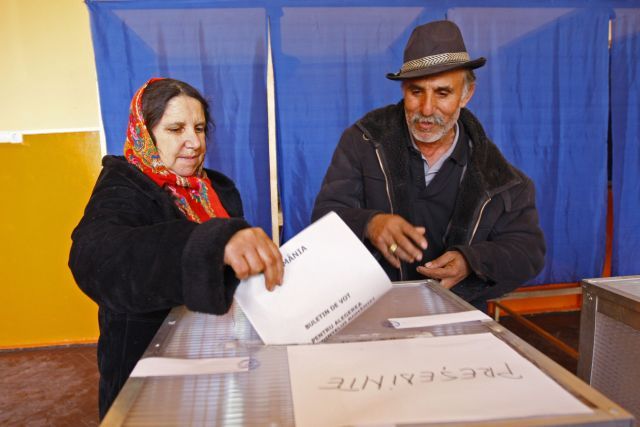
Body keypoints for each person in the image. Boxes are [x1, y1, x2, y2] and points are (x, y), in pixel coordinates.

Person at [69, 78, 283, 418]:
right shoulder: (123, 187)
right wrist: (212, 242)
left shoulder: (216, 189)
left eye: (199, 128)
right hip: (148, 368)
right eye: (175, 129)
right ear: (145, 134)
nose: (193, 142)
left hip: (217, 357)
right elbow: (95, 257)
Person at [312, 20, 545, 310]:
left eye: (442, 93)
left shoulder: (500, 178)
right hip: (371, 313)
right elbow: (324, 218)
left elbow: (528, 250)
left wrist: (471, 261)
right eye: (416, 91)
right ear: (403, 91)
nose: (426, 109)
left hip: (457, 320)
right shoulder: (363, 141)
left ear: (466, 94)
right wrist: (370, 223)